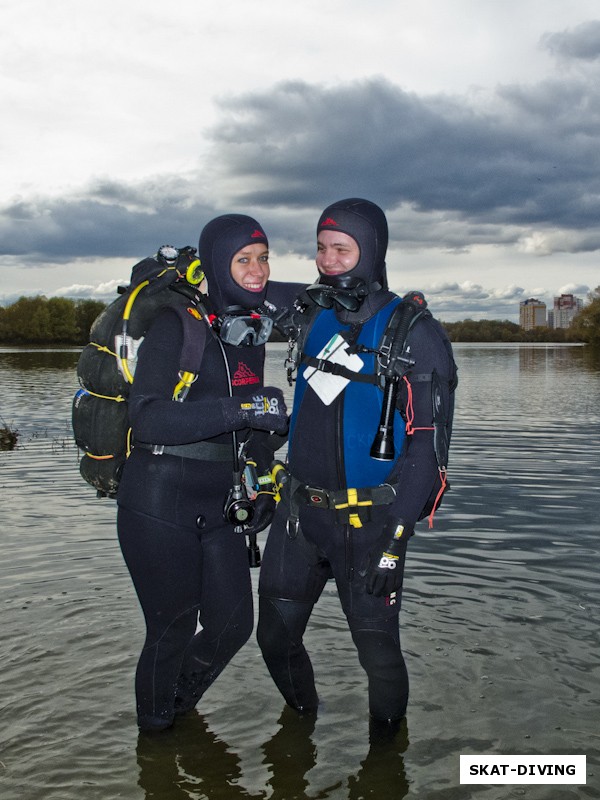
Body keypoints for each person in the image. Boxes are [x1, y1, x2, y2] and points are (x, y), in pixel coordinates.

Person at [257, 198, 457, 729]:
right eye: (321, 249)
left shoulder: (413, 330)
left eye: (342, 249)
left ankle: (385, 766)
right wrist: (160, 286)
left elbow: (429, 449)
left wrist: (397, 535)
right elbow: (238, 282)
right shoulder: (308, 312)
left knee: (378, 657)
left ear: (371, 251)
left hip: (370, 526)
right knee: (273, 637)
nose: (329, 260)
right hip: (299, 516)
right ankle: (301, 726)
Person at [117, 214, 290, 732]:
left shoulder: (248, 332)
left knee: (232, 625)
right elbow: (146, 416)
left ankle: (175, 719)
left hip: (220, 498)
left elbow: (252, 427)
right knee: (170, 631)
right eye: (244, 259)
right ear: (218, 264)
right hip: (158, 497)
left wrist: (261, 482)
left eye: (264, 258)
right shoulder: (177, 324)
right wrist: (240, 408)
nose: (257, 270)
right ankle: (155, 736)